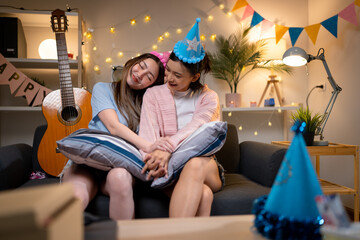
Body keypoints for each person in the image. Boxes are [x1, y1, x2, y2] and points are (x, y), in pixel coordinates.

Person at [62, 52, 173, 220]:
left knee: (120, 178)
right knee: (78, 195)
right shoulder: (103, 88)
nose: (139, 75)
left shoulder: (147, 105)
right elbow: (113, 127)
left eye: (148, 77)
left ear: (151, 85)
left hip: (119, 167)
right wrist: (148, 146)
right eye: (141, 66)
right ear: (133, 62)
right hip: (87, 164)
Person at [139, 18, 224, 217]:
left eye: (177, 75)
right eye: (168, 70)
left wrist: (169, 151)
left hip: (204, 165)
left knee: (194, 163)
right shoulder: (152, 95)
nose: (168, 78)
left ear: (194, 77)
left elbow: (198, 129)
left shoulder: (208, 98)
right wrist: (155, 158)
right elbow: (147, 136)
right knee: (204, 195)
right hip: (165, 167)